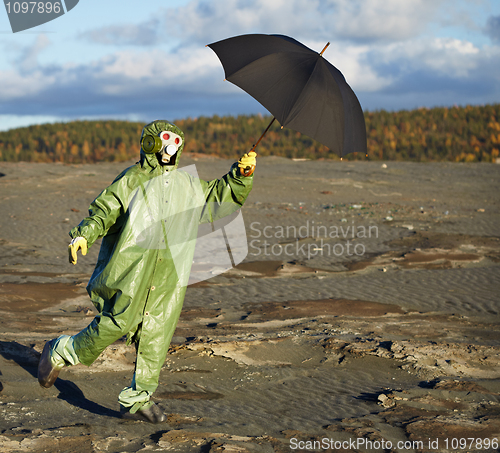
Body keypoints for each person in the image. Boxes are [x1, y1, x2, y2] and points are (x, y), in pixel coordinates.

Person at [37, 120, 256, 423]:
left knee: (157, 333)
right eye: (165, 141)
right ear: (151, 143)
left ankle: (138, 399)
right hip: (132, 271)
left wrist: (241, 175)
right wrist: (83, 236)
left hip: (169, 275)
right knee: (115, 323)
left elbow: (218, 197)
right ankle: (62, 351)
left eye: (176, 142)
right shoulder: (131, 180)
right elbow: (104, 210)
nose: (170, 148)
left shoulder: (187, 184)